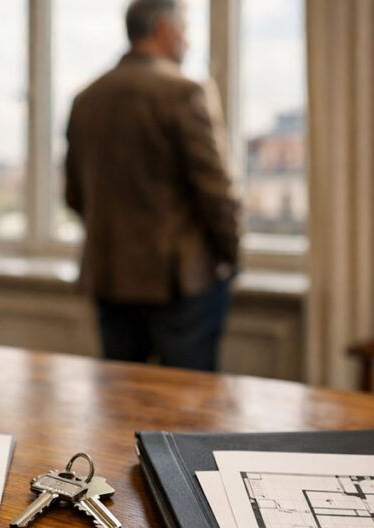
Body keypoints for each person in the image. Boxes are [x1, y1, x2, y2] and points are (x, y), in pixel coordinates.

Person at [64, 0, 241, 371]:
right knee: (189, 410)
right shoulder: (184, 91)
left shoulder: (86, 99)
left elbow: (74, 194)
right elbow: (216, 192)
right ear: (165, 29)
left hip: (109, 274)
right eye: (186, 30)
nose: (188, 42)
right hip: (178, 280)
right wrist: (230, 256)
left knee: (121, 404)